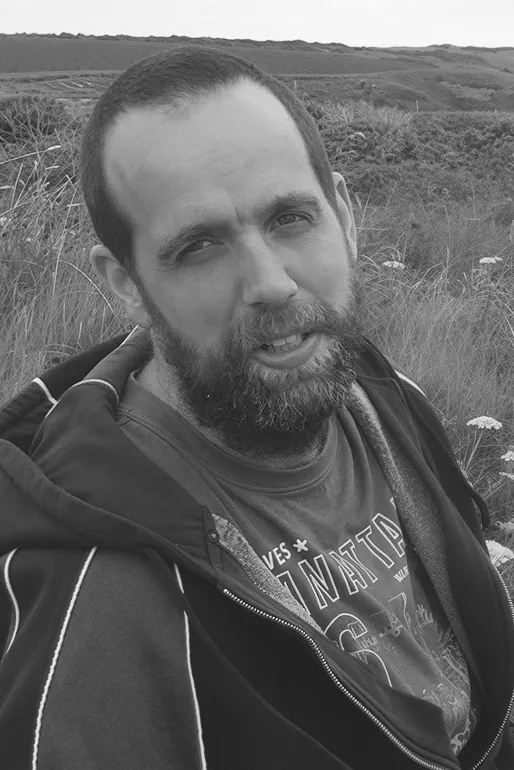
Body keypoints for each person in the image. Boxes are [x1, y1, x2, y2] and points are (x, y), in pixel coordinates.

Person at [0, 46, 513, 770]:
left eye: (290, 219)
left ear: (344, 215)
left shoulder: (381, 394)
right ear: (125, 283)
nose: (270, 283)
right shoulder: (96, 609)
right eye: (199, 245)